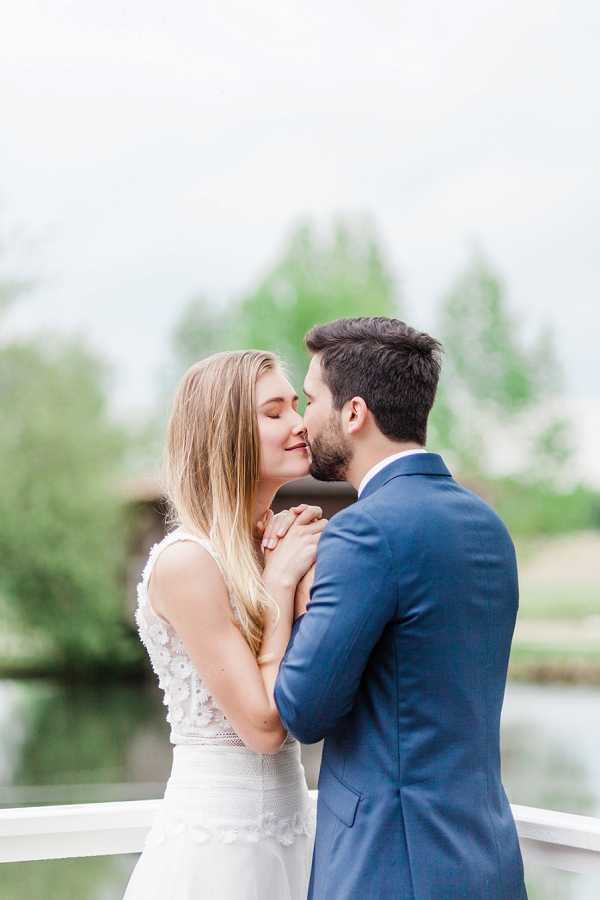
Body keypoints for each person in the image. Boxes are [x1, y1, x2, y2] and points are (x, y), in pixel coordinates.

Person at [274, 316, 528, 899]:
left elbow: (303, 710)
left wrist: (286, 590)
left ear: (354, 413)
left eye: (312, 399)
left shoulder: (362, 533)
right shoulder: (487, 525)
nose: (305, 421)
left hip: (389, 866)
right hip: (486, 860)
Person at [122, 350, 326, 900]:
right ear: (227, 432)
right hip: (221, 846)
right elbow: (262, 729)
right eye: (275, 411)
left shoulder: (279, 545)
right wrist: (280, 587)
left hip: (293, 830)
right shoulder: (188, 562)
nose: (299, 422)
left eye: (296, 405)